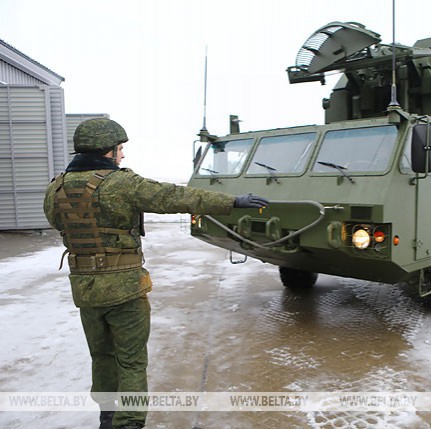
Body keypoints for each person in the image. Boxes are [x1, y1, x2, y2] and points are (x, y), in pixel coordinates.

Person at [43, 118, 268, 429]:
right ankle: (130, 423)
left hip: (85, 289)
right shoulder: (121, 183)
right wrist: (232, 202)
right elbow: (173, 197)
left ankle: (106, 417)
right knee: (132, 360)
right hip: (125, 288)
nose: (122, 156)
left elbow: (57, 222)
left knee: (102, 356)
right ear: (108, 151)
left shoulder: (57, 186)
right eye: (120, 150)